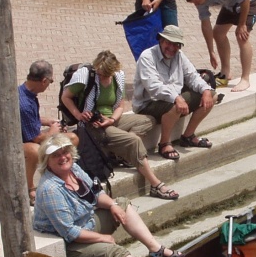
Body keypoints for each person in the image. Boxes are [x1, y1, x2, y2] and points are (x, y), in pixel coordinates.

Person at [33, 134, 195, 257]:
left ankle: (156, 249)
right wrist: (102, 237)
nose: (62, 157)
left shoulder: (74, 170)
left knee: (121, 203)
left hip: (85, 224)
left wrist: (112, 205)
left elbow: (96, 194)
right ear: (47, 161)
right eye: (55, 155)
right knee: (116, 252)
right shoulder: (50, 189)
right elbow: (69, 232)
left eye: (65, 152)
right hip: (68, 243)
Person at [61, 50, 179, 200]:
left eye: (105, 74)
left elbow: (120, 106)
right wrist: (79, 115)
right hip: (92, 126)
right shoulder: (86, 76)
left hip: (111, 120)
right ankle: (156, 185)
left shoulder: (118, 77)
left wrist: (111, 120)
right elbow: (66, 97)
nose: (102, 76)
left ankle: (122, 151)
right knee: (134, 141)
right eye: (100, 73)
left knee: (148, 120)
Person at [133, 25, 215, 161]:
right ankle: (164, 143)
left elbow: (193, 76)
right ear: (161, 40)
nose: (172, 47)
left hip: (173, 100)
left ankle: (188, 136)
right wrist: (176, 97)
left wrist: (206, 90)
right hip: (148, 105)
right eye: (168, 43)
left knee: (212, 95)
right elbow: (154, 87)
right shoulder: (147, 57)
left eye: (176, 44)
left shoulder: (180, 56)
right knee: (174, 105)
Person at [182, 0, 256, 93]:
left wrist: (241, 24)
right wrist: (211, 51)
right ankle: (225, 74)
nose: (196, 5)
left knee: (241, 36)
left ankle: (245, 79)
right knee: (218, 33)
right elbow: (205, 23)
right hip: (230, 1)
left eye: (196, 1)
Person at [19, 60, 78, 206]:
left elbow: (32, 120)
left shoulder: (26, 93)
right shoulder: (24, 103)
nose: (49, 84)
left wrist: (49, 122)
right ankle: (29, 187)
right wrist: (52, 132)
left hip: (28, 135)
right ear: (44, 80)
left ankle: (60, 174)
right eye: (50, 81)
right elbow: (35, 138)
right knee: (34, 151)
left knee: (72, 139)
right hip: (19, 142)